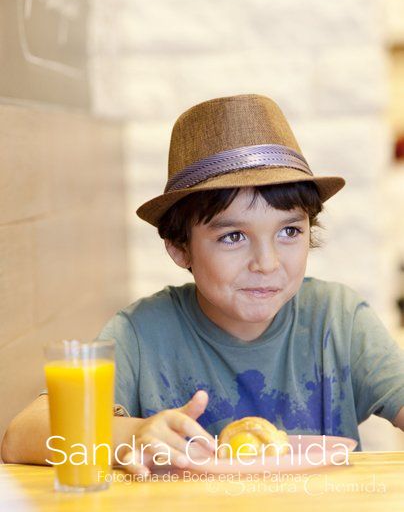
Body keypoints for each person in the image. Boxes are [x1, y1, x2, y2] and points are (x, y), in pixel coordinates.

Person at [2, 94, 404, 475]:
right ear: (180, 248)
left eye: (289, 232)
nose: (267, 264)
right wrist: (130, 435)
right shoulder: (144, 334)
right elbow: (20, 436)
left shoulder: (338, 319)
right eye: (233, 237)